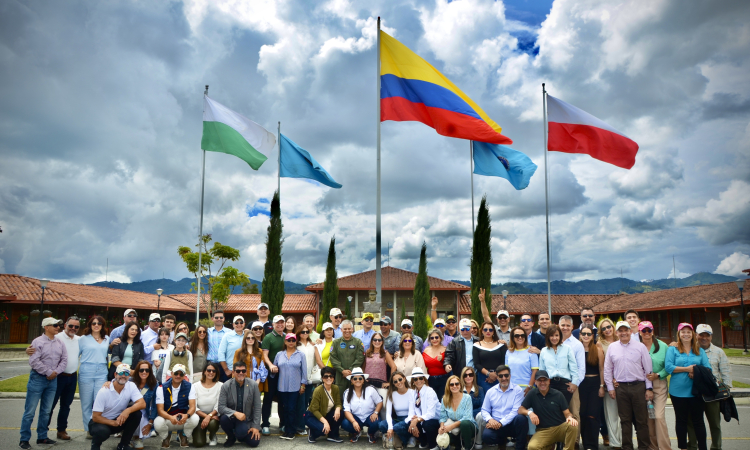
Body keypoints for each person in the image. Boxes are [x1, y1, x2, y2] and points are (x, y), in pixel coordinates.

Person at [603, 321, 654, 450]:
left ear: (631, 331)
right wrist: (610, 388)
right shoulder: (612, 347)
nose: (624, 333)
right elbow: (608, 369)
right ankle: (627, 447)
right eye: (621, 330)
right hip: (621, 388)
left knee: (641, 420)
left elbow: (648, 369)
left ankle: (644, 446)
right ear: (617, 333)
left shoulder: (640, 347)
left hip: (638, 386)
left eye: (626, 330)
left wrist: (649, 388)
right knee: (625, 420)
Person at [19, 317, 67, 449]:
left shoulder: (60, 343)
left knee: (46, 411)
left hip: (53, 380)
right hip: (37, 379)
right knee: (30, 411)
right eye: (55, 325)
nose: (58, 327)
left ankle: (42, 437)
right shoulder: (37, 342)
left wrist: (55, 372)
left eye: (59, 325)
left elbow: (64, 359)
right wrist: (48, 372)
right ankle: (24, 439)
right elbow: (34, 361)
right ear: (46, 327)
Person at [665, 323, 710, 450]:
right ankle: (683, 448)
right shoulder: (672, 350)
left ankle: (702, 447)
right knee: (681, 421)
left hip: (696, 391)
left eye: (688, 332)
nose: (686, 334)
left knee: (698, 422)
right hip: (678, 391)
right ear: (678, 334)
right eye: (683, 331)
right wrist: (686, 369)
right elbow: (668, 367)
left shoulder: (699, 350)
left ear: (693, 335)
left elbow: (708, 368)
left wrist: (695, 371)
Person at [687, 324, 732, 450]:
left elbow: (726, 372)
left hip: (713, 392)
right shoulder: (688, 350)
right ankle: (692, 446)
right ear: (696, 335)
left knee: (715, 423)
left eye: (707, 335)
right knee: (692, 422)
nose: (704, 338)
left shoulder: (719, 352)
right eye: (701, 335)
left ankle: (716, 447)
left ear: (711, 336)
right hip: (694, 392)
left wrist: (726, 391)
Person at [89, 364, 146, 450]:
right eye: (121, 373)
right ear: (115, 374)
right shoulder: (104, 391)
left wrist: (127, 411)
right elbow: (96, 417)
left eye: (126, 374)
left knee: (137, 414)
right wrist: (113, 423)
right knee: (102, 431)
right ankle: (95, 445)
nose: (123, 376)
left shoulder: (131, 385)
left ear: (129, 376)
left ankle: (123, 445)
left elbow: (142, 404)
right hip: (100, 422)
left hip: (118, 419)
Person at [518, 370, 579, 450]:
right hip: (543, 430)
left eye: (545, 380)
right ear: (535, 382)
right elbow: (520, 409)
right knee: (532, 447)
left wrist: (570, 417)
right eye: (540, 380)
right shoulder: (532, 394)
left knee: (572, 425)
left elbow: (567, 413)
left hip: (559, 428)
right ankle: (549, 445)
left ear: (549, 381)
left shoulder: (558, 394)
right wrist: (530, 413)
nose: (542, 383)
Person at [45, 316, 82, 441]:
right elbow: (41, 344)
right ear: (65, 325)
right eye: (71, 325)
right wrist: (28, 349)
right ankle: (43, 431)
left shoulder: (79, 340)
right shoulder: (57, 337)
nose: (73, 328)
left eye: (76, 327)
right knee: (50, 405)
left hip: (72, 376)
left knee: (66, 405)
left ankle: (61, 430)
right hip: (58, 376)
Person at [638, 321, 671, 450]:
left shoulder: (663, 347)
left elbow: (669, 366)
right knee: (649, 418)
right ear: (640, 332)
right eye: (644, 331)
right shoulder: (636, 346)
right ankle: (653, 447)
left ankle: (665, 447)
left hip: (659, 384)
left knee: (658, 416)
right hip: (641, 385)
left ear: (653, 331)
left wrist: (658, 375)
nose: (647, 333)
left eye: (649, 330)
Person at [480, 365, 528, 450]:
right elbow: (484, 410)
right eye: (501, 376)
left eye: (506, 375)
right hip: (496, 424)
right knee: (487, 436)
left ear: (510, 376)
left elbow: (515, 411)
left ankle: (520, 447)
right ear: (497, 377)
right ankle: (502, 442)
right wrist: (490, 420)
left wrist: (501, 423)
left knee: (522, 419)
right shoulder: (490, 391)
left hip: (512, 424)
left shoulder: (518, 390)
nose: (504, 378)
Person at [79, 315, 111, 437]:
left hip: (102, 371)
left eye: (99, 323)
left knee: (99, 402)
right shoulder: (83, 339)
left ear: (102, 326)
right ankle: (89, 429)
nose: (96, 325)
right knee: (86, 403)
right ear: (90, 325)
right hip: (86, 370)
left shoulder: (107, 339)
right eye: (94, 323)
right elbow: (73, 354)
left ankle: (98, 428)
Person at [218, 361, 262, 448]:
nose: (241, 373)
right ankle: (231, 436)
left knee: (254, 443)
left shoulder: (253, 385)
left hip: (246, 419)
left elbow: (257, 407)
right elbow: (221, 407)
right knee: (223, 419)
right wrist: (235, 413)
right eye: (238, 371)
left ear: (246, 372)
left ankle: (240, 435)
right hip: (231, 418)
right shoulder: (226, 386)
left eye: (243, 371)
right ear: (233, 372)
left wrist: (255, 426)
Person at [155, 363, 198, 447]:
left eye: (181, 374)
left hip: (182, 418)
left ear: (184, 375)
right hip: (168, 418)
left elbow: (193, 407)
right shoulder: (161, 387)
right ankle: (166, 436)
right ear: (171, 374)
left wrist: (187, 415)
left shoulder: (190, 386)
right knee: (158, 422)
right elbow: (160, 410)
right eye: (176, 373)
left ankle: (184, 435)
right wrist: (170, 417)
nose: (178, 376)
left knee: (195, 418)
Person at [274, 332, 308, 440]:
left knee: (292, 408)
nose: (291, 342)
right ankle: (286, 430)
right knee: (284, 408)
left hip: (295, 386)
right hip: (282, 386)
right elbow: (275, 368)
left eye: (293, 340)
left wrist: (303, 385)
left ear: (296, 341)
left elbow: (304, 371)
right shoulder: (279, 354)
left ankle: (291, 431)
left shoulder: (301, 355)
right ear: (285, 341)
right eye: (289, 340)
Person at [558, 315, 585, 441]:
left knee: (574, 413)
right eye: (562, 325)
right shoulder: (554, 341)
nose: (565, 328)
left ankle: (574, 442)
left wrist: (575, 384)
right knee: (557, 414)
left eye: (568, 325)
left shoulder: (577, 345)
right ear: (558, 326)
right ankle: (559, 441)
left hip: (571, 384)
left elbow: (581, 368)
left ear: (572, 327)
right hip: (555, 385)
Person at [578, 326, 605, 450]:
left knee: (593, 415)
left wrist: (601, 386)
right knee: (582, 414)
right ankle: (585, 443)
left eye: (589, 334)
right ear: (580, 335)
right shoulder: (576, 349)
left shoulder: (597, 350)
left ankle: (592, 445)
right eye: (584, 333)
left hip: (595, 384)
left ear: (592, 335)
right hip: (581, 384)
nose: (586, 336)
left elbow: (601, 369)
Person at [538, 325, 578, 404]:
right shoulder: (544, 351)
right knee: (551, 409)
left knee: (563, 410)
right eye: (551, 335)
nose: (554, 338)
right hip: (550, 384)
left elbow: (574, 368)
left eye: (556, 335)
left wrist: (574, 383)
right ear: (548, 337)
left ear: (560, 336)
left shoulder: (567, 348)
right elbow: (542, 370)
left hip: (565, 384)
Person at [261, 315, 287, 435]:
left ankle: (283, 424)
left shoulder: (287, 337)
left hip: (284, 375)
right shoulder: (268, 337)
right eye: (277, 323)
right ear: (274, 324)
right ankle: (265, 424)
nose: (280, 325)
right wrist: (271, 365)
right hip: (271, 375)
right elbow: (265, 355)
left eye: (282, 322)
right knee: (268, 399)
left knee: (282, 400)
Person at [597, 317, 621, 449]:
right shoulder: (600, 344)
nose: (607, 330)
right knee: (611, 415)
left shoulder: (622, 340)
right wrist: (609, 381)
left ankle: (623, 440)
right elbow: (603, 367)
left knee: (624, 415)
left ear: (613, 327)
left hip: (623, 382)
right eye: (604, 328)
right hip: (609, 383)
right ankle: (615, 442)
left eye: (609, 327)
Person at [342, 367, 382, 443]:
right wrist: (353, 421)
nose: (358, 380)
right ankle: (356, 432)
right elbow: (346, 410)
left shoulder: (371, 389)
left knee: (377, 422)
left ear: (363, 380)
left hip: (369, 416)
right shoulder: (347, 392)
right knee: (345, 423)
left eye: (360, 378)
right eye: (355, 379)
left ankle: (371, 433)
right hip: (356, 417)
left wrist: (375, 413)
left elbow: (379, 402)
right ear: (351, 380)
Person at [306, 366, 344, 443]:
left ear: (333, 378)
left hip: (325, 415)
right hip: (312, 416)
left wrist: (337, 409)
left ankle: (332, 435)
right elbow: (314, 410)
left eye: (331, 376)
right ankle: (312, 433)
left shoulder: (335, 388)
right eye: (326, 376)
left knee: (341, 413)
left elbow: (338, 403)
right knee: (323, 430)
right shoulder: (318, 390)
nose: (329, 378)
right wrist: (325, 422)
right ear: (322, 378)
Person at [297, 325, 324, 435]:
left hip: (310, 378)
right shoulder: (295, 345)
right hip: (298, 378)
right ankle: (299, 426)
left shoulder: (313, 345)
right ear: (299, 333)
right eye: (302, 332)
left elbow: (318, 360)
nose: (304, 333)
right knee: (300, 403)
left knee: (306, 403)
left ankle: (303, 424)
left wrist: (327, 372)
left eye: (307, 332)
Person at [438, 374, 476, 450]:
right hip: (453, 428)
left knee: (464, 423)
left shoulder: (467, 397)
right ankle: (457, 445)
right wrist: (442, 427)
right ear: (448, 387)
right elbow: (443, 417)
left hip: (468, 427)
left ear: (460, 385)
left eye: (457, 384)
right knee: (443, 433)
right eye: (451, 384)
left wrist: (451, 427)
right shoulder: (444, 399)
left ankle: (467, 447)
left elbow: (467, 417)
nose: (454, 386)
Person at [405, 368, 440, 450]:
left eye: (420, 378)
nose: (418, 381)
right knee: (410, 423)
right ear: (413, 381)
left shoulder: (430, 391)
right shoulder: (412, 393)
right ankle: (424, 442)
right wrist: (413, 421)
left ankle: (433, 445)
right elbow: (411, 413)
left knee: (426, 424)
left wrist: (417, 420)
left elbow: (431, 414)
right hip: (422, 419)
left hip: (435, 420)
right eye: (415, 379)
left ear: (424, 380)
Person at [192, 363, 224, 447]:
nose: (211, 372)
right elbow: (193, 406)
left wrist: (209, 416)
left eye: (214, 371)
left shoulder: (220, 386)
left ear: (216, 373)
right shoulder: (195, 386)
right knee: (198, 443)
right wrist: (206, 416)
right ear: (204, 372)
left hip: (213, 416)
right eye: (209, 370)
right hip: (199, 417)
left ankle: (212, 435)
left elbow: (219, 404)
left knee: (212, 424)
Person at [330, 320, 365, 397]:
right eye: (345, 329)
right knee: (339, 397)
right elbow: (333, 358)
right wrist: (342, 371)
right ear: (341, 330)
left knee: (354, 397)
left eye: (349, 329)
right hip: (340, 376)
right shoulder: (336, 343)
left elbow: (360, 358)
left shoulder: (358, 342)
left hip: (354, 376)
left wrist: (350, 371)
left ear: (352, 329)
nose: (347, 331)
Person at [130, 360, 159, 449]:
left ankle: (137, 438)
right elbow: (117, 382)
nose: (144, 372)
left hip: (144, 413)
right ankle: (131, 437)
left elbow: (155, 405)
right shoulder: (130, 382)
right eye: (141, 370)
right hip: (129, 411)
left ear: (150, 372)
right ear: (137, 371)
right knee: (137, 415)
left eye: (147, 370)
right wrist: (108, 383)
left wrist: (150, 423)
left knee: (141, 416)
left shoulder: (154, 384)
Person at [379, 371, 412, 446]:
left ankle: (404, 440)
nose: (398, 382)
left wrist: (394, 427)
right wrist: (390, 427)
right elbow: (388, 413)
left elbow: (412, 413)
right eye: (395, 381)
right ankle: (396, 438)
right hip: (398, 419)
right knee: (382, 425)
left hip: (409, 420)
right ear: (393, 383)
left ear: (404, 379)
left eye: (400, 379)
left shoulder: (412, 392)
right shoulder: (392, 394)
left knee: (398, 427)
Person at [474, 320, 507, 393]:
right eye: (485, 329)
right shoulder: (476, 345)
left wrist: (496, 374)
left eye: (490, 329)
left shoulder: (500, 344)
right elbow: (476, 364)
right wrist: (489, 374)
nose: (488, 331)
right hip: (483, 377)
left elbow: (503, 361)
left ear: (494, 332)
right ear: (482, 331)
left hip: (499, 376)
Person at [505, 326, 539, 394]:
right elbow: (507, 371)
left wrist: (530, 386)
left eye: (522, 335)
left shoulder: (531, 351)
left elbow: (535, 371)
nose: (520, 337)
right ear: (512, 337)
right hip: (511, 387)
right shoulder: (509, 351)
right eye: (517, 335)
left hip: (526, 388)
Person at [461, 366, 486, 449]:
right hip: (462, 418)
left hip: (475, 417)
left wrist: (470, 414)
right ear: (463, 377)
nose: (468, 377)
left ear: (474, 376)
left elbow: (483, 407)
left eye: (470, 374)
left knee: (481, 415)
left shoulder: (480, 389)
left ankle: (478, 441)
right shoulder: (458, 389)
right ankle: (463, 441)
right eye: (465, 375)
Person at [423, 328, 449, 401]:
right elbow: (422, 365)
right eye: (432, 338)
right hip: (430, 380)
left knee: (442, 401)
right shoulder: (426, 350)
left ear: (440, 338)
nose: (434, 339)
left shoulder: (446, 349)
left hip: (443, 379)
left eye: (436, 337)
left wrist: (442, 360)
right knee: (431, 401)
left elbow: (450, 363)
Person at [219, 315, 247, 379]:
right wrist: (226, 370)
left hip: (245, 371)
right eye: (236, 323)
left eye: (241, 322)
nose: (239, 324)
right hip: (231, 371)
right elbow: (221, 353)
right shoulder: (227, 336)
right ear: (233, 325)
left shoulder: (248, 336)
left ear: (244, 324)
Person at [207, 311, 229, 381]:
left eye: (221, 317)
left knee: (225, 388)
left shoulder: (230, 332)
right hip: (211, 365)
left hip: (226, 365)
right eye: (216, 317)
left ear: (224, 318)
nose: (219, 319)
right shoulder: (207, 332)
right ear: (212, 318)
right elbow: (195, 339)